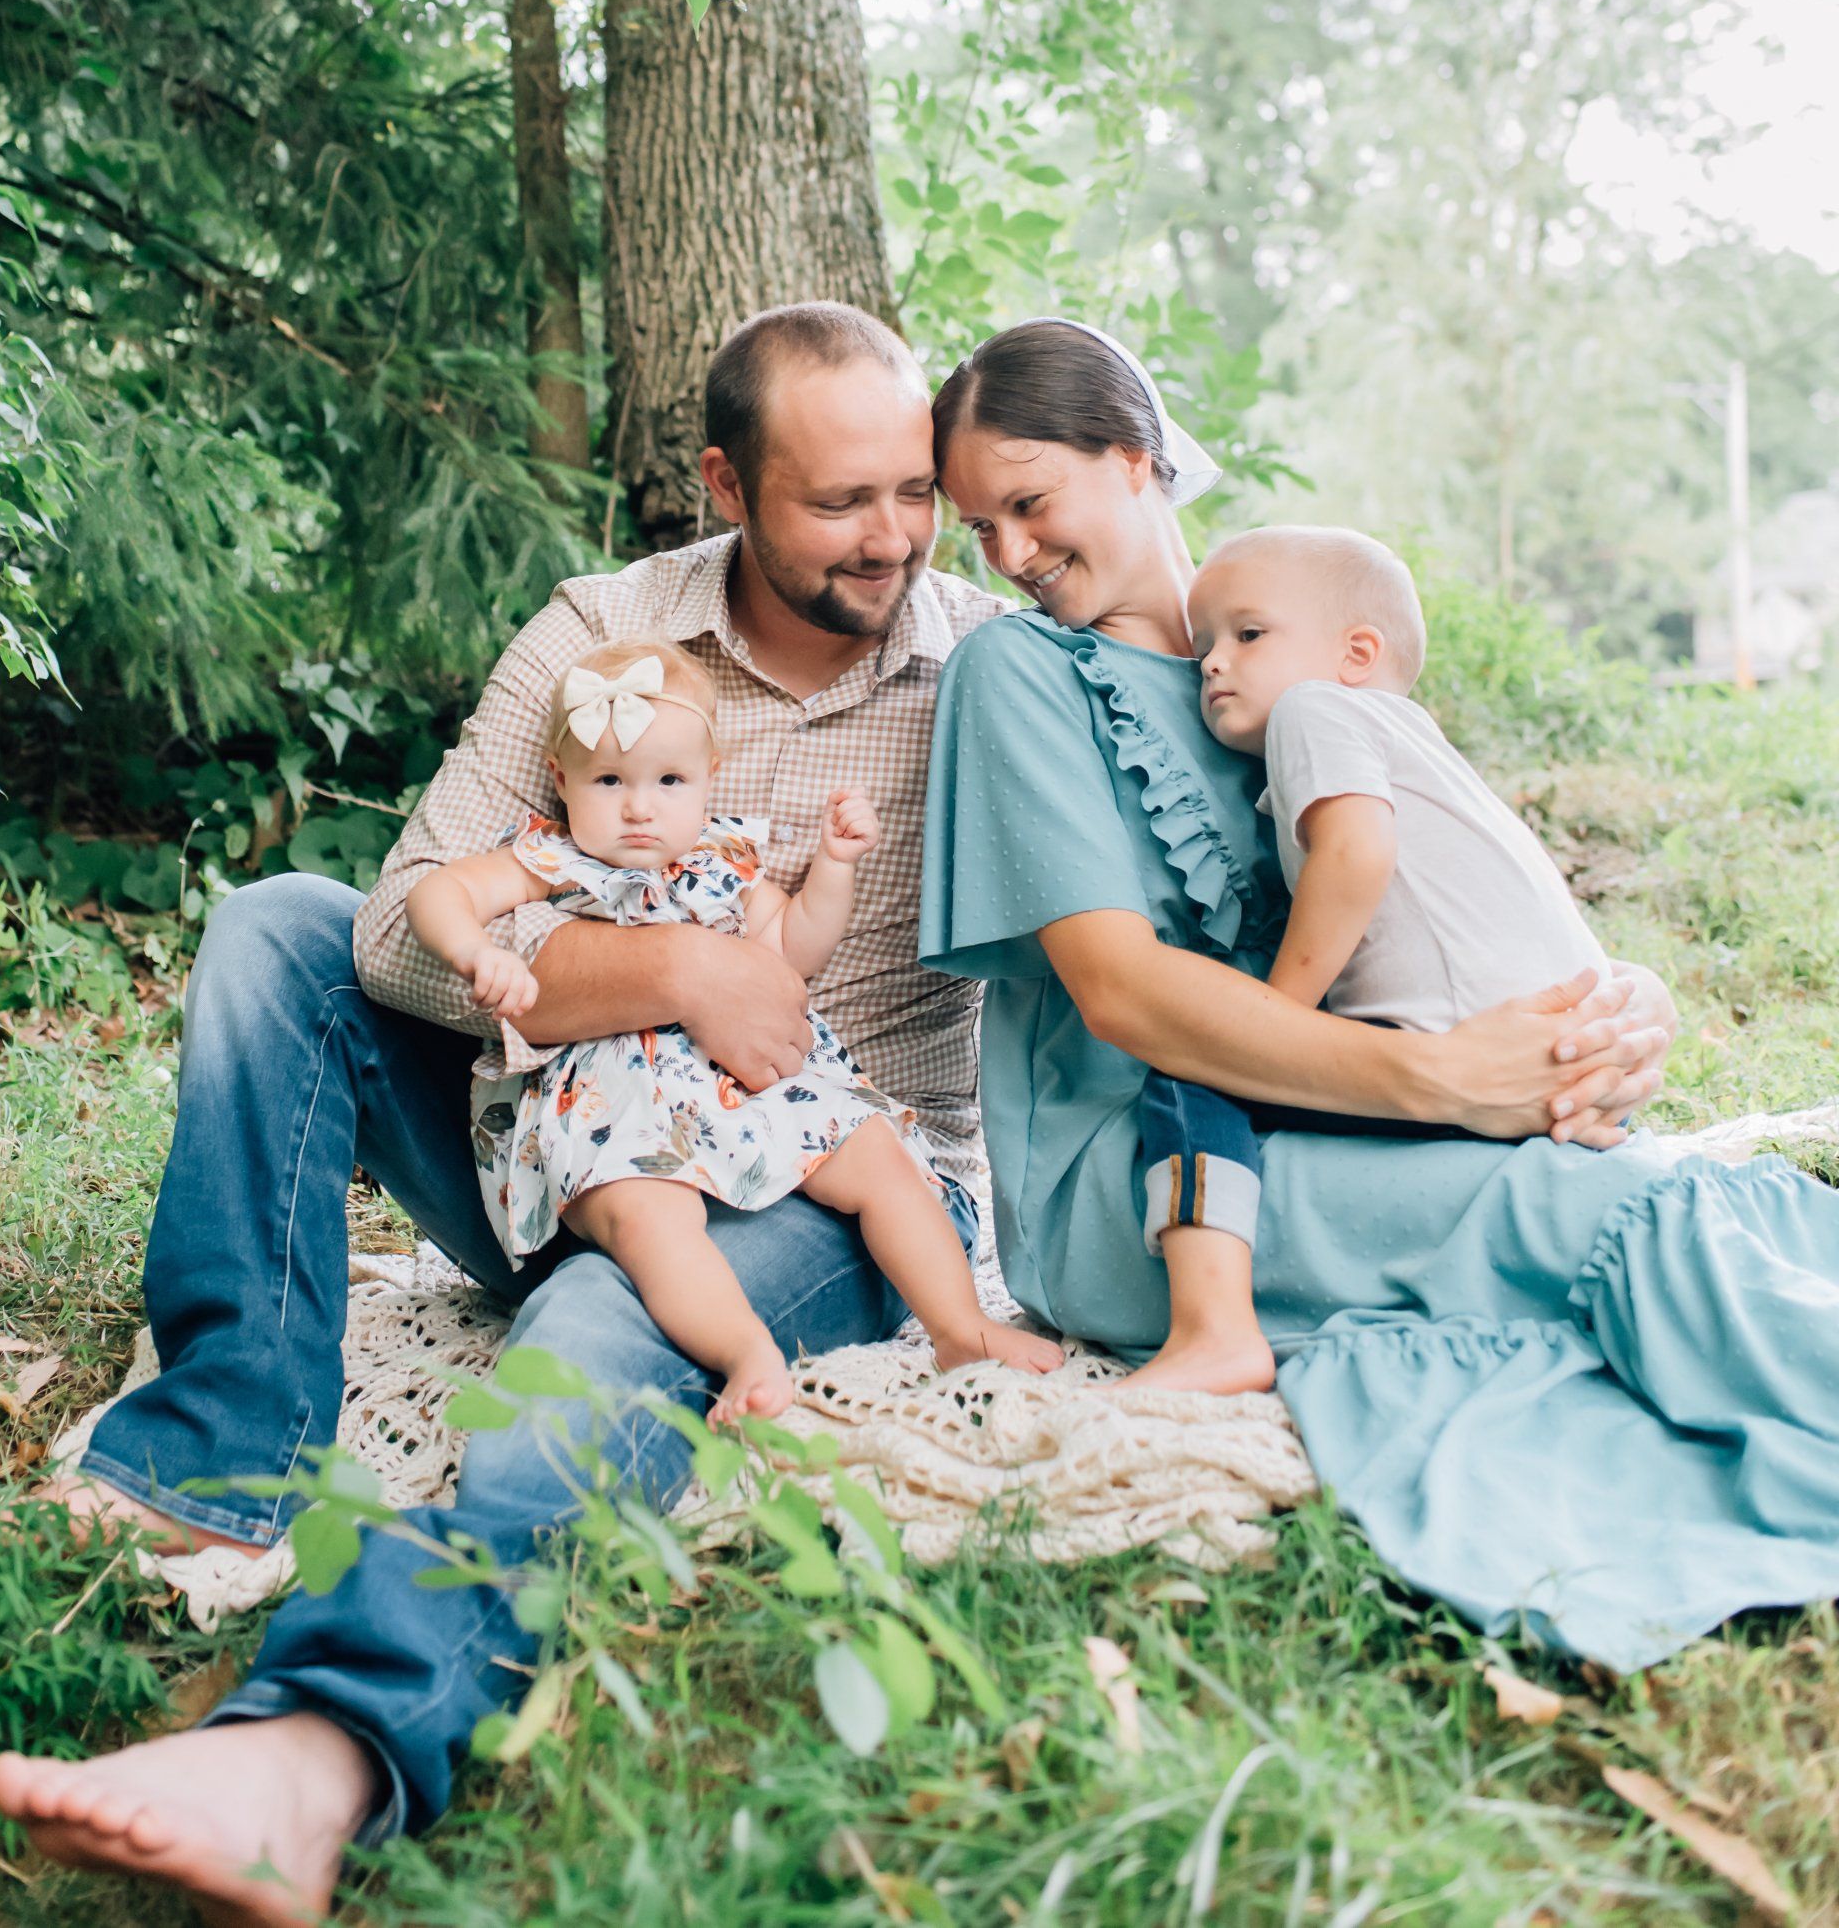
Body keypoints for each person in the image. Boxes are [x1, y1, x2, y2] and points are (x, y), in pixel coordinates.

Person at [0, 304, 1008, 1920]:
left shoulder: (979, 662)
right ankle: (225, 1436)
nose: (890, 540)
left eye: (912, 493)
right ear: (726, 481)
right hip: (567, 1129)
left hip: (811, 1177)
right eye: (838, 503)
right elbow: (402, 926)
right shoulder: (605, 634)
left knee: (595, 1351)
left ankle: (316, 1748)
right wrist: (673, 966)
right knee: (280, 928)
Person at [928, 314, 1839, 1673]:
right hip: (1147, 1186)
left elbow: (1455, 876)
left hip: (1335, 1119)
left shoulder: (1282, 660)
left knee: (1661, 1194)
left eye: (1027, 503)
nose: (1005, 555)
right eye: (976, 528)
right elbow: (1120, 995)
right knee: (1595, 1207)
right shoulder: (1023, 673)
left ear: (1132, 459)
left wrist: (1613, 1004)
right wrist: (1437, 1081)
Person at [410, 636, 1059, 1421]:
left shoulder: (725, 864)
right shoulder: (550, 858)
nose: (639, 807)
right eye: (609, 780)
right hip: (614, 1106)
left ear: (708, 779)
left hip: (748, 1087)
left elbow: (792, 953)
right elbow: (439, 891)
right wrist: (476, 949)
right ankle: (744, 1349)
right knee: (655, 1220)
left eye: (669, 780)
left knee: (876, 1155)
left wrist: (835, 866)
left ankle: (960, 1327)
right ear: (563, 781)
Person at [1118, 524, 1616, 1391]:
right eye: (1202, 645)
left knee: (1190, 1075)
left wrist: (1277, 1019)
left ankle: (1213, 1330)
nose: (1211, 662)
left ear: (1355, 653)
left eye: (1247, 634)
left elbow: (1354, 857)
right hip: (1547, 1048)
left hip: (1458, 1033)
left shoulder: (1318, 711)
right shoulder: (1414, 744)